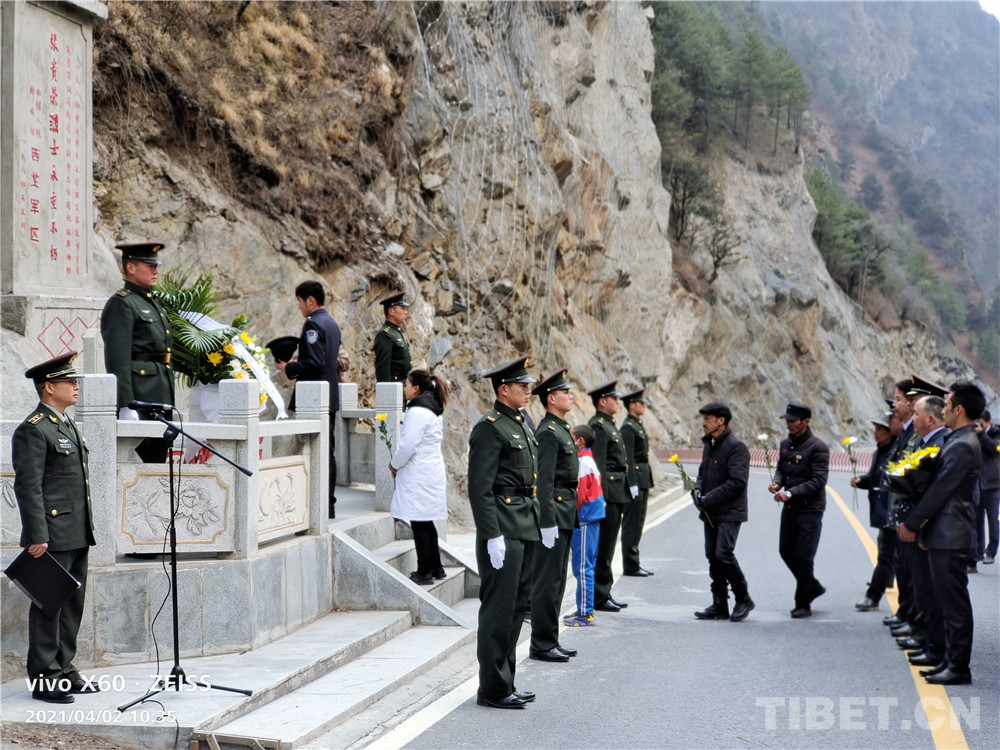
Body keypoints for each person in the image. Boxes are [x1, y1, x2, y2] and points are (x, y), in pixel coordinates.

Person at [12, 352, 98, 704]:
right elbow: (28, 486)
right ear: (49, 387)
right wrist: (37, 535)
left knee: (72, 606)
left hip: (76, 530)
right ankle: (46, 678)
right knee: (49, 605)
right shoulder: (33, 429)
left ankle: (64, 669)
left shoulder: (66, 424)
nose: (76, 387)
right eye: (69, 382)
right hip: (51, 534)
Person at [898, 382, 985, 685]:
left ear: (959, 409)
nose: (943, 409)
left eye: (947, 405)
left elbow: (940, 491)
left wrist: (912, 524)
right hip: (944, 533)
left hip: (951, 534)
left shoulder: (963, 445)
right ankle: (949, 660)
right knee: (945, 603)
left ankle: (958, 667)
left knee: (954, 605)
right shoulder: (958, 439)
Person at [468, 356, 540, 709]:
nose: (528, 390)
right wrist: (491, 534)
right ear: (503, 389)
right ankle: (492, 688)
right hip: (503, 528)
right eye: (521, 385)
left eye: (528, 385)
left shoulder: (521, 423)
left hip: (524, 524)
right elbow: (479, 488)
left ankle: (505, 680)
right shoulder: (490, 427)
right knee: (498, 609)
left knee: (515, 608)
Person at [100, 242, 174, 463]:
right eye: (149, 265)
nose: (155, 270)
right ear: (131, 267)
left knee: (157, 463)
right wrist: (126, 404)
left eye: (156, 265)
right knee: (140, 463)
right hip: (140, 396)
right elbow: (118, 360)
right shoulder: (122, 303)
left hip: (160, 393)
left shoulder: (153, 303)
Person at [275, 281, 342, 518]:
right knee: (327, 451)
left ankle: (313, 505)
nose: (299, 307)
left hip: (313, 399)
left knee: (310, 451)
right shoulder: (331, 322)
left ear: (310, 300)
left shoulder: (313, 324)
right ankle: (327, 505)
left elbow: (315, 363)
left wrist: (288, 367)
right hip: (328, 396)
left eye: (300, 302)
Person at [528, 369, 579, 663]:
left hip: (565, 511)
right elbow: (544, 482)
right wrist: (546, 522)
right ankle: (541, 643)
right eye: (565, 392)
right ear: (551, 398)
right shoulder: (548, 432)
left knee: (557, 580)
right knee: (547, 581)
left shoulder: (560, 428)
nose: (570, 396)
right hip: (555, 514)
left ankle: (550, 638)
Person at [894, 395, 948, 665]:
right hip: (917, 522)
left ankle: (935, 645)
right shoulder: (925, 441)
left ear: (930, 419)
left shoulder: (940, 443)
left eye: (916, 414)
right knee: (919, 584)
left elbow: (935, 492)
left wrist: (917, 525)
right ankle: (927, 638)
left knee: (930, 590)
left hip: (929, 526)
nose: (912, 419)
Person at [692, 401, 754, 622]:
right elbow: (702, 473)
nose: (703, 423)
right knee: (712, 556)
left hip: (729, 511)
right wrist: (697, 490)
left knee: (723, 555)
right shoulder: (709, 444)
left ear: (721, 421)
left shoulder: (736, 447)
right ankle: (719, 604)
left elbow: (737, 482)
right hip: (711, 511)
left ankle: (743, 598)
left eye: (707, 419)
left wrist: (708, 499)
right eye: (704, 418)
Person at [389, 369, 450, 584]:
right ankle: (436, 567)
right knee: (425, 520)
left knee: (418, 521)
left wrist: (394, 464)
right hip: (430, 471)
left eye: (407, 384)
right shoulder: (432, 409)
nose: (404, 388)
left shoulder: (416, 411)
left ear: (416, 388)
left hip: (419, 473)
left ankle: (424, 571)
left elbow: (408, 445)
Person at [770, 402, 829, 618]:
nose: (788, 423)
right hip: (790, 508)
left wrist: (791, 493)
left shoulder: (818, 447)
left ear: (805, 421)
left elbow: (818, 481)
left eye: (793, 420)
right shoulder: (785, 444)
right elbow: (781, 469)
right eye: (787, 419)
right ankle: (812, 586)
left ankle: (803, 602)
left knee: (804, 556)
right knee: (785, 551)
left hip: (810, 510)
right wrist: (777, 483)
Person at [588, 381, 634, 613]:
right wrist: (601, 496)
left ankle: (604, 592)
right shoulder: (597, 426)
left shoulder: (609, 424)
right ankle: (599, 595)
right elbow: (598, 464)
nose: (618, 402)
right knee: (603, 546)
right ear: (602, 401)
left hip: (617, 490)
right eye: (614, 398)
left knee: (608, 545)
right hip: (608, 493)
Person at [852, 411, 900, 611]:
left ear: (889, 431)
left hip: (892, 512)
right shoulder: (880, 451)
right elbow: (876, 479)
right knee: (888, 553)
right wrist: (862, 480)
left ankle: (873, 596)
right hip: (883, 512)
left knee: (886, 555)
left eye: (880, 429)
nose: (876, 432)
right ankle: (886, 580)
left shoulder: (897, 451)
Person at [565, 424, 605, 627]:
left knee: (583, 567)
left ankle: (585, 613)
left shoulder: (582, 462)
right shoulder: (588, 459)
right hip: (591, 517)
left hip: (585, 518)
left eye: (571, 437)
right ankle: (584, 608)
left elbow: (579, 495)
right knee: (585, 565)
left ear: (579, 441)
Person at [620, 389, 654, 577]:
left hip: (643, 478)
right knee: (632, 524)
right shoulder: (628, 427)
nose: (644, 405)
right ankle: (630, 564)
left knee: (639, 522)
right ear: (632, 405)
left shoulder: (637, 425)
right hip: (636, 480)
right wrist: (631, 482)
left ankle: (634, 562)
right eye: (640, 402)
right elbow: (628, 458)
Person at [974, 410, 999, 565]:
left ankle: (991, 552)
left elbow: (995, 448)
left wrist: (982, 434)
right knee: (977, 520)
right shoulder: (974, 434)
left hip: (992, 483)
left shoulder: (996, 432)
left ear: (987, 422)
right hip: (977, 483)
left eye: (981, 422)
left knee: (993, 520)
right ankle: (978, 551)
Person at [373, 292, 411, 384]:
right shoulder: (385, 335)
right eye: (402, 308)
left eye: (405, 309)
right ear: (391, 311)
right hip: (393, 385)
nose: (406, 312)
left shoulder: (396, 332)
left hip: (402, 384)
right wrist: (387, 391)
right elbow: (383, 370)